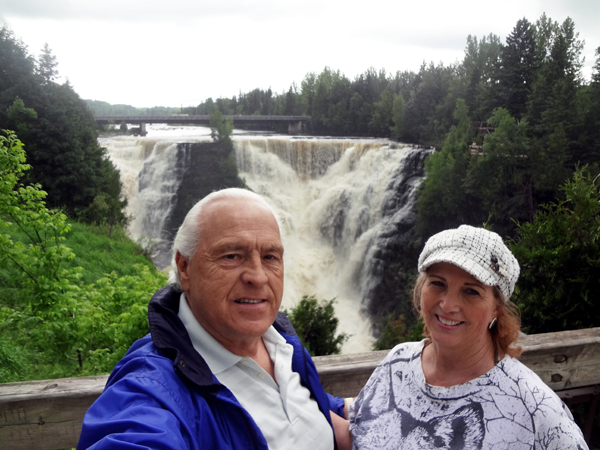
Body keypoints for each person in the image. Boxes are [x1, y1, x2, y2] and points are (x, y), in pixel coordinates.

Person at [77, 188, 351, 450]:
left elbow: (301, 406)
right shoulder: (153, 388)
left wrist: (347, 412)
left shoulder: (280, 342)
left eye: (270, 256)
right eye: (232, 256)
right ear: (185, 267)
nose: (257, 276)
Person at [349, 225, 588, 449]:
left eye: (471, 291)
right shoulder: (397, 362)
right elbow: (354, 433)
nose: (448, 304)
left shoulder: (537, 410)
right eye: (437, 283)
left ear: (497, 308)